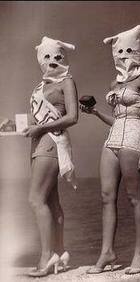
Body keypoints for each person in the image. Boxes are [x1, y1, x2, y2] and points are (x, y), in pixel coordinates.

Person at [81, 25, 140, 275]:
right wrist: (94, 112)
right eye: (119, 52)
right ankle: (107, 252)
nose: (124, 56)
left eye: (128, 51)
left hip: (134, 137)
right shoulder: (115, 82)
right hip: (113, 137)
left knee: (135, 197)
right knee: (106, 196)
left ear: (136, 51)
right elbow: (117, 119)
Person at [24, 36, 78, 277]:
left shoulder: (67, 82)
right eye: (47, 57)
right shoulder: (39, 87)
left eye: (58, 56)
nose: (53, 61)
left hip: (53, 140)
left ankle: (47, 257)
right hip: (39, 141)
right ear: (40, 60)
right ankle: (60, 251)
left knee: (36, 199)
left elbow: (73, 117)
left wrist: (41, 129)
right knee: (51, 200)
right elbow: (36, 120)